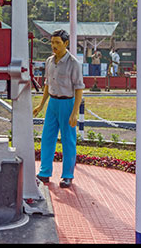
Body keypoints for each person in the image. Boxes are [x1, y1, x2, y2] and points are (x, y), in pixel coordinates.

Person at [33, 29, 85, 188]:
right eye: (52, 42)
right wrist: (41, 105)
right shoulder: (49, 61)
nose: (54, 46)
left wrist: (75, 112)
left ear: (66, 43)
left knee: (68, 140)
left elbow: (79, 88)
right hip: (52, 104)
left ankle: (68, 175)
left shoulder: (73, 63)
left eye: (57, 43)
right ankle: (44, 172)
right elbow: (48, 84)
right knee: (47, 138)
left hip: (67, 104)